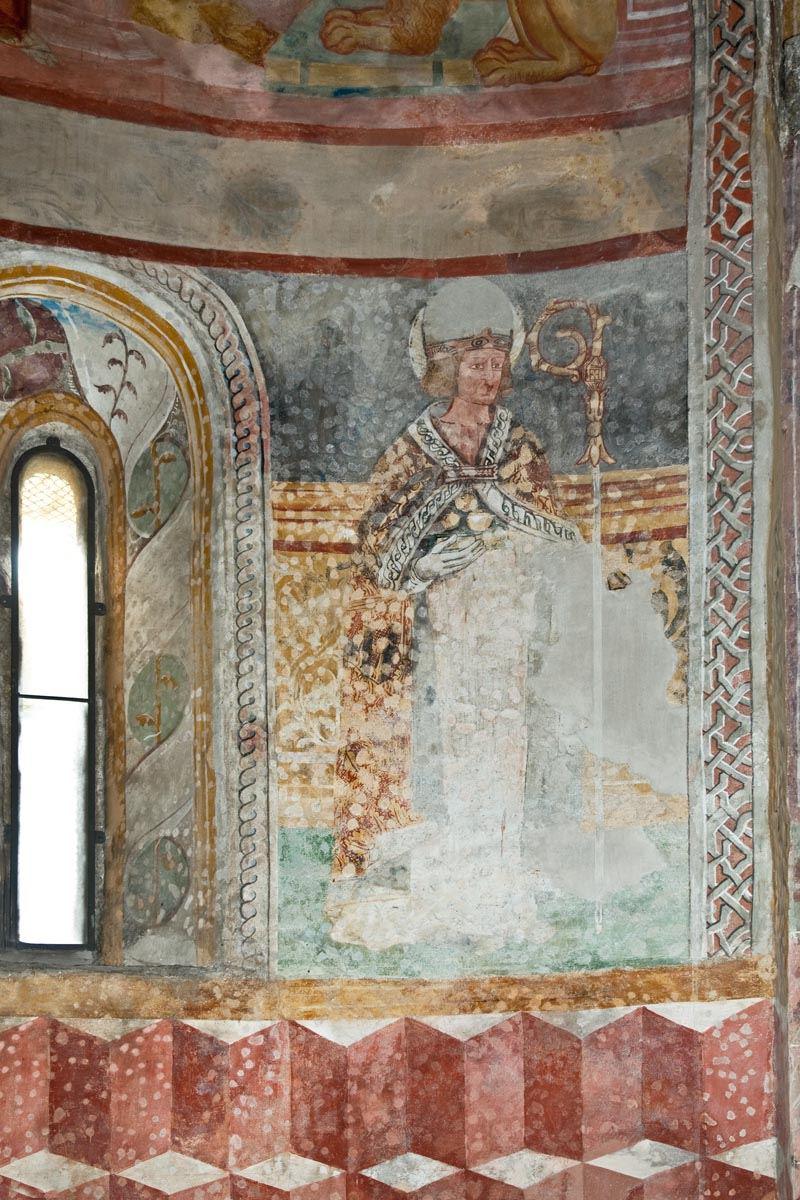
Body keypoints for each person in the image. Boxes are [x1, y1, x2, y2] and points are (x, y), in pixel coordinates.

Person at [325, 279, 587, 951]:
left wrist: (510, 530)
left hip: (505, 628)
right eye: (475, 365)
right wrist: (423, 565)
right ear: (447, 368)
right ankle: (439, 889)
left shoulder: (520, 446)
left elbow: (555, 533)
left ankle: (496, 885)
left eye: (496, 364)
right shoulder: (412, 449)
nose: (488, 377)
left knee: (503, 748)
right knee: (438, 752)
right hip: (433, 635)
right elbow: (377, 548)